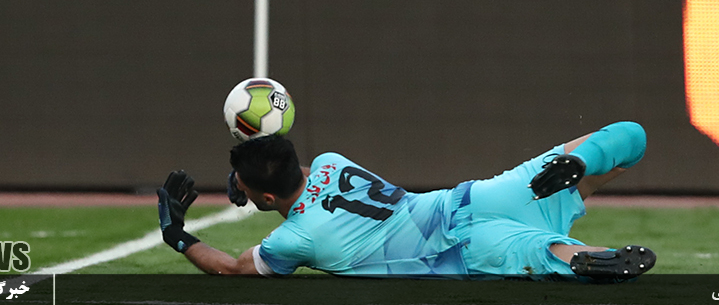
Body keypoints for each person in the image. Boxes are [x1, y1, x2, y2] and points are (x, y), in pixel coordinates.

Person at [155, 122, 656, 279]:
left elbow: (232, 268)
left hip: (456, 251)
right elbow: (292, 171)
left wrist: (177, 234)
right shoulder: (330, 161)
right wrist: (248, 180)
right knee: (627, 137)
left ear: (265, 197)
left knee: (537, 253)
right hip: (475, 198)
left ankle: (584, 259)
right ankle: (584, 160)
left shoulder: (295, 239)